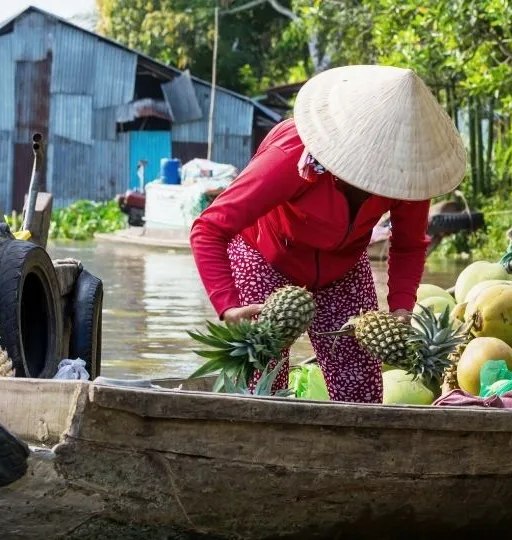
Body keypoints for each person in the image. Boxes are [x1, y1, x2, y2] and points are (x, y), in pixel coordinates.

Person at [189, 65, 467, 403]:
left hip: (343, 266)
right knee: (264, 379)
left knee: (359, 384)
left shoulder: (409, 177)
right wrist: (228, 306)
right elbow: (209, 228)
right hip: (265, 255)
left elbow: (408, 245)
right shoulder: (291, 157)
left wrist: (401, 307)